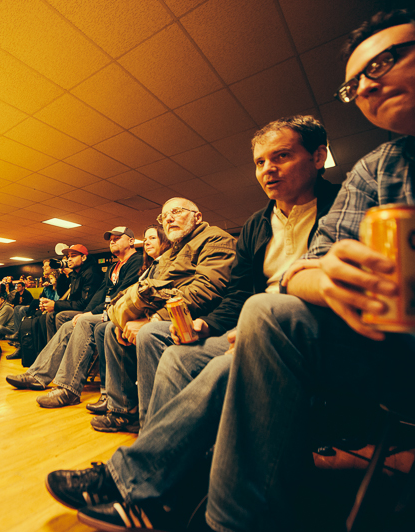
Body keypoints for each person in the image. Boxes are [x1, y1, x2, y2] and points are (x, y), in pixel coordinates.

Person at [46, 10, 415, 532]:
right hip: (302, 328)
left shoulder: (334, 193)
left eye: (386, 60)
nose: (368, 84)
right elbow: (283, 277)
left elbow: (218, 284)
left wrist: (254, 313)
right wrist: (208, 325)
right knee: (179, 352)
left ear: (317, 156)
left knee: (259, 318)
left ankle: (152, 486)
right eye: (354, 83)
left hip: (330, 337)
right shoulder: (375, 170)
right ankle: (166, 486)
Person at [93, 116, 341, 434]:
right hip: (241, 326)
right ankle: (139, 423)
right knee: (170, 355)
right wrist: (207, 325)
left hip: (307, 330)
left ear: (318, 157)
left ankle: (157, 446)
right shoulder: (256, 224)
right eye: (260, 162)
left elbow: (207, 287)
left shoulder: (342, 208)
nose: (268, 169)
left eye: (281, 156)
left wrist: (152, 316)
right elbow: (238, 295)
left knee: (159, 338)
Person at [5, 227, 144, 408]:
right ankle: (37, 375)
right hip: (107, 311)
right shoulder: (113, 267)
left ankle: (69, 389)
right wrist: (88, 311)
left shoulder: (137, 261)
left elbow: (123, 294)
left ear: (132, 241)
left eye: (117, 238)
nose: (112, 241)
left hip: (123, 313)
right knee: (68, 324)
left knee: (84, 321)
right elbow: (102, 293)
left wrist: (91, 314)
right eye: (110, 239)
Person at [86, 224, 172, 415]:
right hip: (133, 315)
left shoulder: (167, 264)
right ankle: (117, 399)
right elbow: (121, 294)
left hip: (157, 319)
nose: (147, 242)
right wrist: (105, 311)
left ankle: (121, 400)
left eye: (153, 238)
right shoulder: (148, 267)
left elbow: (161, 298)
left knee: (103, 328)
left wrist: (149, 319)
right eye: (146, 238)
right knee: (104, 327)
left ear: (166, 241)